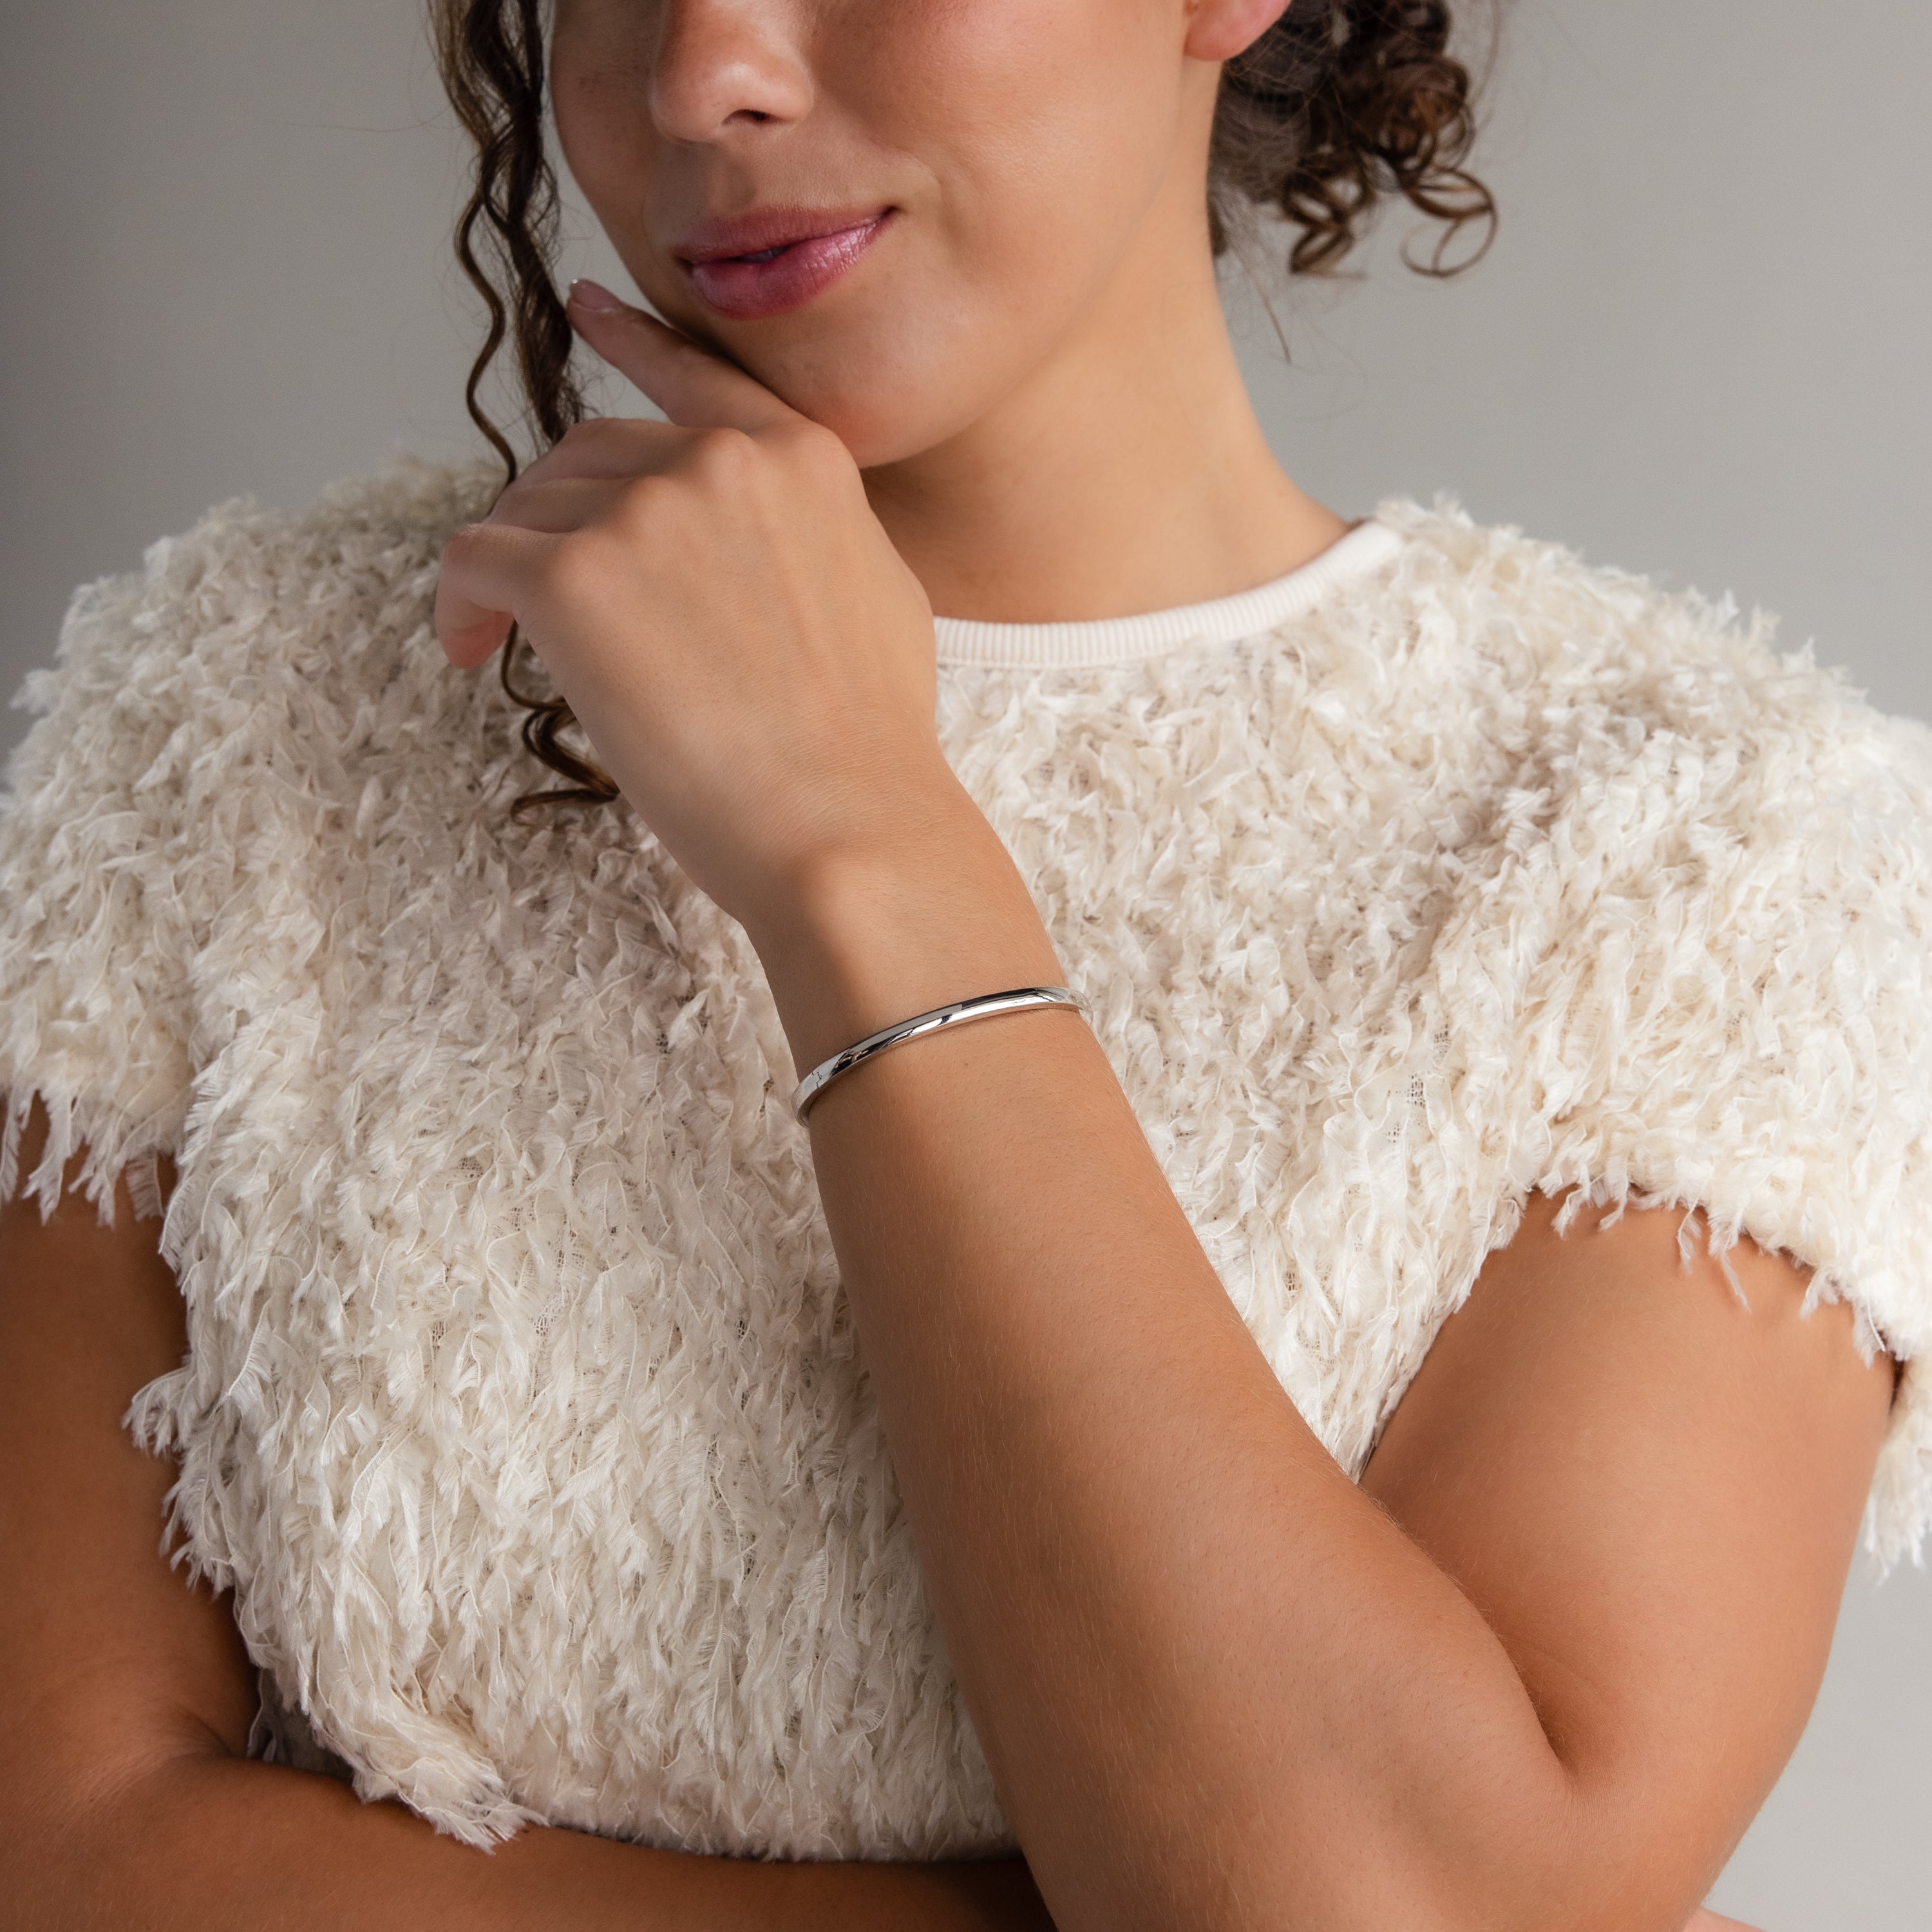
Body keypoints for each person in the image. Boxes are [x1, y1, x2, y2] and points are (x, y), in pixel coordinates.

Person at [1, 0, 1924, 1926]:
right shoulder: (238, 715)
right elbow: (57, 1860)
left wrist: (864, 843)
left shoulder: (1712, 860)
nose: (703, 73)